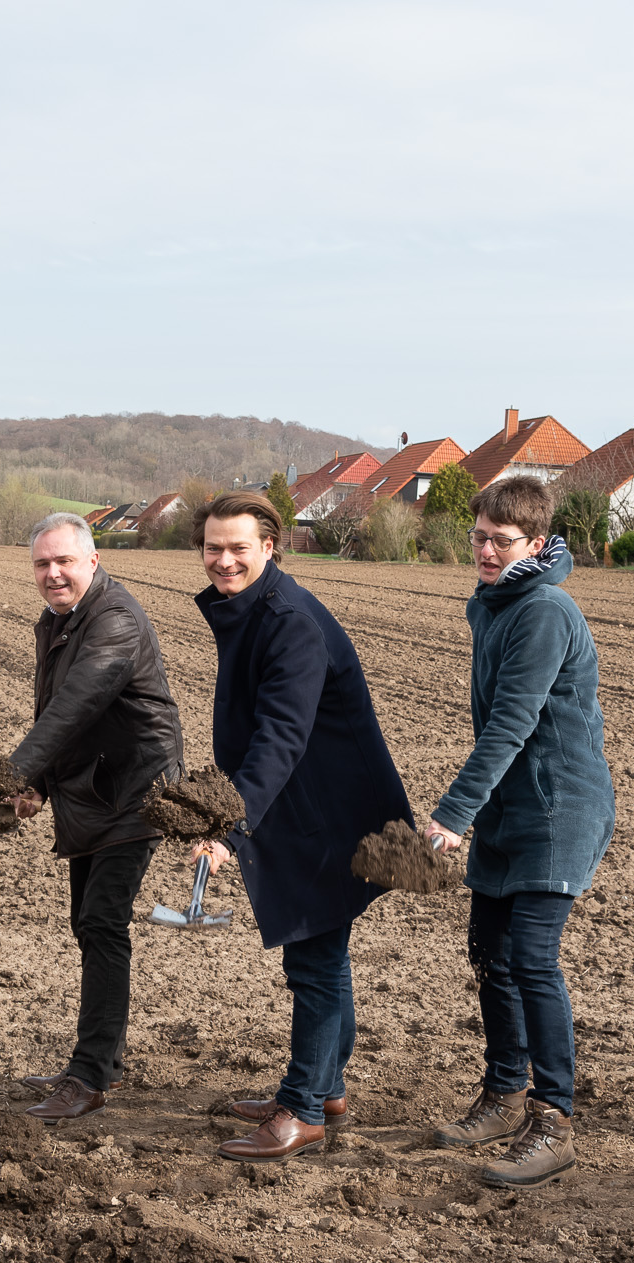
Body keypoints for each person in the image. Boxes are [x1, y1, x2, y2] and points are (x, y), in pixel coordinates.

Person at [186, 491, 414, 1162]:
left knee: (313, 960)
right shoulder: (256, 607)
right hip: (309, 803)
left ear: (270, 547)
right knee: (322, 953)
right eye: (212, 547)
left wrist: (229, 826)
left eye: (238, 547)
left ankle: (305, 1109)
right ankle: (323, 1084)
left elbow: (280, 738)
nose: (223, 560)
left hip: (328, 813)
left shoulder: (288, 621)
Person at [424, 474, 614, 1191]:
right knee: (489, 953)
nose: (484, 549)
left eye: (500, 541)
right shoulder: (494, 603)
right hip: (511, 808)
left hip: (559, 805)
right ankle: (505, 1095)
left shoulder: (542, 609)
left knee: (531, 955)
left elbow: (512, 723)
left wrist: (453, 812)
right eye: (477, 536)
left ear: (535, 543)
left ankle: (553, 1120)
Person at [3, 512, 184, 1123]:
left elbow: (76, 707)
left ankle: (89, 1076)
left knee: (102, 923)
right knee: (89, 925)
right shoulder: (56, 621)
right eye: (42, 564)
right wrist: (41, 790)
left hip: (135, 791)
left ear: (92, 561)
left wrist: (15, 776)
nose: (53, 573)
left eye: (64, 562)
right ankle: (96, 1061)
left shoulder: (115, 620)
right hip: (90, 790)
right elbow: (54, 710)